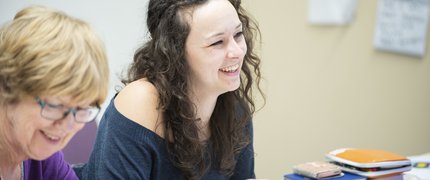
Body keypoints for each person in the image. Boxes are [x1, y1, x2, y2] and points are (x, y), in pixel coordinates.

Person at [76, 0, 263, 179]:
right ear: (175, 53)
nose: (237, 52)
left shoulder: (234, 107)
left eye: (238, 34)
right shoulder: (140, 101)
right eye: (217, 43)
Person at [0, 6, 109, 180]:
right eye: (56, 106)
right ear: (7, 86)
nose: (67, 126)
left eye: (81, 109)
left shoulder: (44, 156)